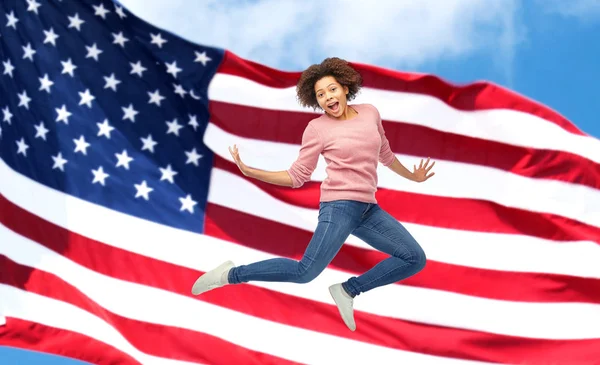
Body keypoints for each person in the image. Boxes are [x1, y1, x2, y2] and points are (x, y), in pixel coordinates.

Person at [191, 57, 435, 331]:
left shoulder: (369, 112)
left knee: (414, 258)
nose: (327, 97)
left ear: (345, 88)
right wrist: (252, 172)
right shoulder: (317, 129)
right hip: (338, 207)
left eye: (332, 89)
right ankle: (231, 274)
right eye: (320, 94)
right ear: (315, 100)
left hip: (368, 209)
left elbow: (385, 154)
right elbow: (297, 176)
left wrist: (412, 176)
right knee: (305, 272)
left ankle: (348, 290)